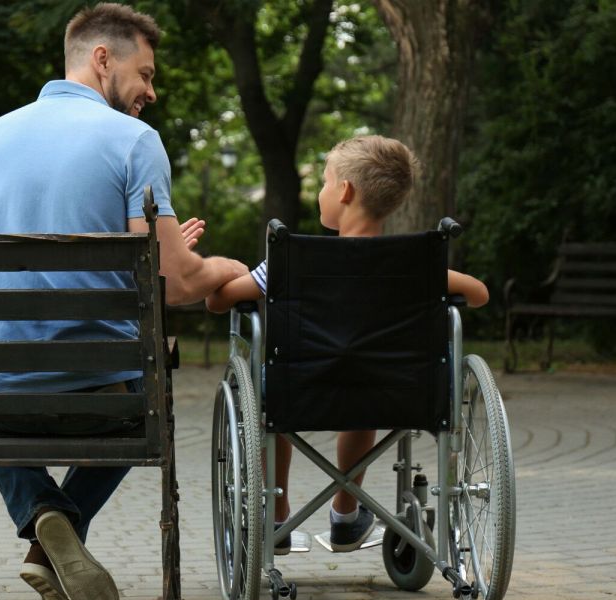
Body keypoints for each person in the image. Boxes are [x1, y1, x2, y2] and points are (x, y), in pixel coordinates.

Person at [0, 3, 247, 600]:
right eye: (144, 74)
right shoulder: (134, 141)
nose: (151, 91)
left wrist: (155, 255)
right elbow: (174, 287)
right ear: (102, 58)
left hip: (2, 400)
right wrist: (225, 268)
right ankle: (59, 522)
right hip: (99, 399)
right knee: (154, 378)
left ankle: (40, 514)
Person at [205, 135, 489, 554]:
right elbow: (479, 294)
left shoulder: (292, 261)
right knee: (364, 382)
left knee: (271, 392)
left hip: (300, 389)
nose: (321, 191)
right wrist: (436, 282)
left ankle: (277, 513)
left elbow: (218, 301)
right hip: (397, 389)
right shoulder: (416, 265)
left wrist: (221, 271)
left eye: (324, 181)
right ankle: (346, 513)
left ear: (345, 191)